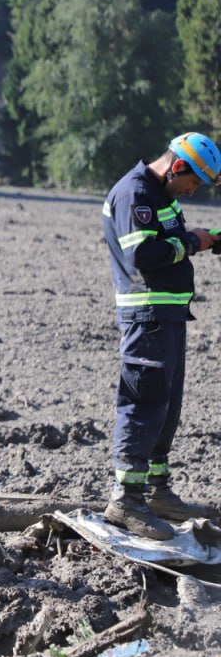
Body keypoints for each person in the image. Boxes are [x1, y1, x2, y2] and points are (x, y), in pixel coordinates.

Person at [100, 132, 220, 539]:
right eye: (195, 182)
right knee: (144, 402)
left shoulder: (161, 195)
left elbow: (168, 243)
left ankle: (156, 489)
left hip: (168, 314)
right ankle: (126, 501)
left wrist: (206, 241)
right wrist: (190, 242)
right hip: (146, 315)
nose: (195, 191)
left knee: (166, 406)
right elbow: (143, 255)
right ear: (178, 167)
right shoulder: (134, 194)